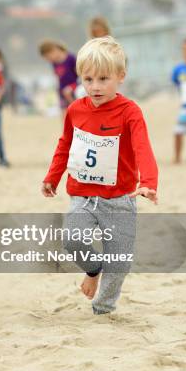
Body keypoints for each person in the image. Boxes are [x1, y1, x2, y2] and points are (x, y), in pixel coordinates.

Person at [42, 36, 158, 315]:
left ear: (121, 76)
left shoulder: (130, 111)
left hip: (120, 199)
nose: (95, 87)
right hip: (83, 194)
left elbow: (143, 147)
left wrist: (149, 183)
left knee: (119, 263)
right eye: (88, 79)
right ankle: (93, 269)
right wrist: (52, 176)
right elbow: (65, 144)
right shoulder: (75, 109)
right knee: (72, 239)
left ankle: (103, 309)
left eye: (103, 79)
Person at [39, 40, 78, 119]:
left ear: (53, 50)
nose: (49, 60)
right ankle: (65, 131)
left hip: (74, 88)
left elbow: (80, 76)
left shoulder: (71, 58)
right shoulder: (54, 63)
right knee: (64, 115)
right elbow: (58, 77)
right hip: (62, 91)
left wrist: (72, 87)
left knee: (75, 112)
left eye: (48, 57)